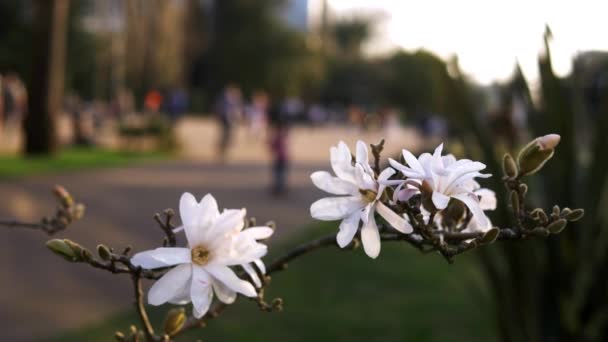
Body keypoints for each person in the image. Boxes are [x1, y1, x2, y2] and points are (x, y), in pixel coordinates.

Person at [214, 85, 242, 161]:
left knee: (228, 136)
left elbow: (236, 112)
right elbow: (220, 109)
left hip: (230, 120)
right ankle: (221, 152)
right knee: (225, 136)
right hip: (225, 120)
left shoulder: (234, 101)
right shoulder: (226, 100)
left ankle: (222, 152)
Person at [268, 105, 289, 196]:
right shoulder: (284, 136)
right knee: (281, 174)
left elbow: (272, 147)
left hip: (279, 158)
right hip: (284, 157)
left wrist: (269, 144)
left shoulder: (277, 137)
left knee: (278, 174)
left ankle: (278, 188)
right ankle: (281, 187)